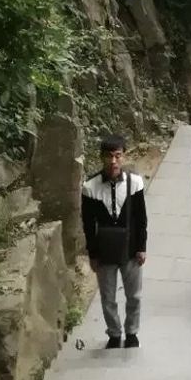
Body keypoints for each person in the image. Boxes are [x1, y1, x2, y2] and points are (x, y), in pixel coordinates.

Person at [81, 135, 147, 349]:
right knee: (107, 297)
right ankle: (114, 333)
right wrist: (93, 255)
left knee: (134, 295)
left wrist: (142, 247)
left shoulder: (135, 183)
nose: (113, 161)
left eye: (118, 156)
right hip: (105, 250)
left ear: (124, 157)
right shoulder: (90, 187)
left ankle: (132, 332)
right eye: (109, 156)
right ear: (101, 157)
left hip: (131, 248)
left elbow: (141, 218)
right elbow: (88, 225)